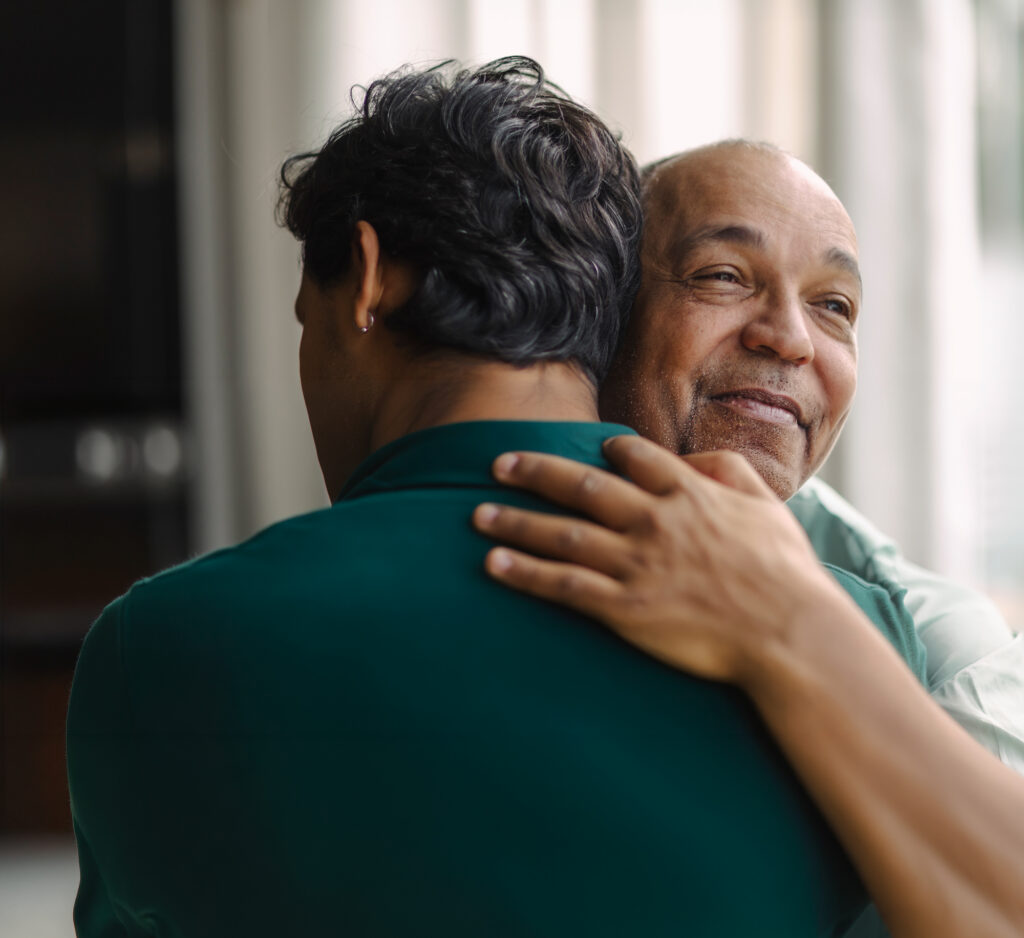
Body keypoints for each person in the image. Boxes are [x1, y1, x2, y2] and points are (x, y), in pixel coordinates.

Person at [66, 62, 923, 937]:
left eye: (303, 317)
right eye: (721, 277)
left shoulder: (164, 644)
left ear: (367, 280)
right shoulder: (859, 639)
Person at [473, 141, 1024, 937]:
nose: (790, 338)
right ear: (607, 311)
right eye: (724, 277)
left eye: (835, 306)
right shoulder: (484, 519)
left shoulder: (946, 651)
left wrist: (789, 620)